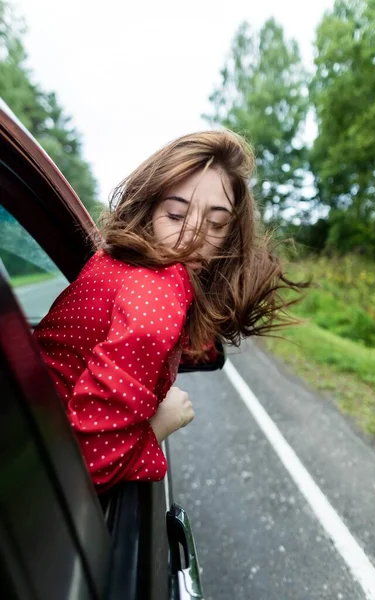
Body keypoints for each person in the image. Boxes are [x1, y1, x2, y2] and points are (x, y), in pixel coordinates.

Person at [34, 130, 303, 493]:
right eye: (176, 215)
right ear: (149, 209)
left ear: (231, 232)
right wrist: (161, 424)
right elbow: (86, 466)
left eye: (216, 223)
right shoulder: (158, 293)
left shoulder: (111, 262)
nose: (194, 238)